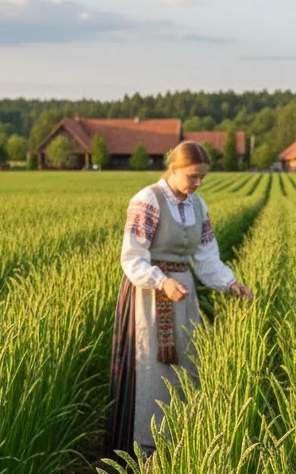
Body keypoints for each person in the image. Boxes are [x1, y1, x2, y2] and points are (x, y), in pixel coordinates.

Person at [108, 141, 252, 455]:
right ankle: (145, 446)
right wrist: (161, 282)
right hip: (150, 294)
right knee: (153, 364)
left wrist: (230, 283)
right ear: (174, 168)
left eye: (202, 177)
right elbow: (132, 258)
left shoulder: (198, 206)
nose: (198, 183)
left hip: (183, 293)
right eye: (193, 176)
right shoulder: (147, 200)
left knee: (187, 361)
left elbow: (206, 257)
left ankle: (178, 440)